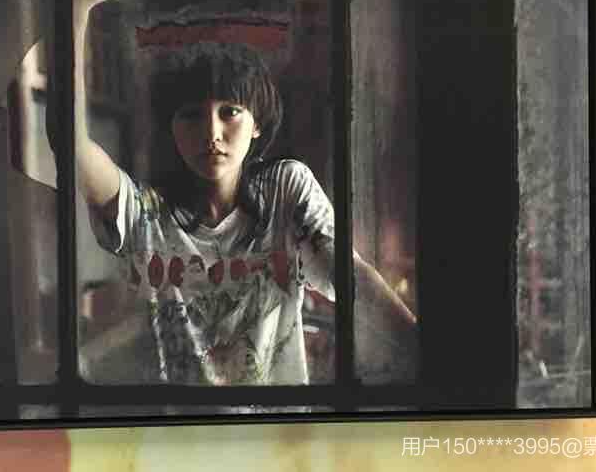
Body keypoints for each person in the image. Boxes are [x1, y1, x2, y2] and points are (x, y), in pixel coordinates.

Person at [77, 41, 416, 385]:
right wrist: (77, 21)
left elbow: (352, 277)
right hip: (182, 420)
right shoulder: (146, 212)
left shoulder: (284, 189)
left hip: (281, 419)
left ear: (257, 124)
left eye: (230, 112)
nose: (211, 133)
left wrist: (420, 347)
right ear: (171, 128)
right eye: (192, 115)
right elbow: (72, 146)